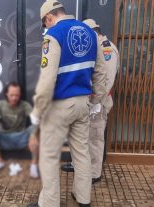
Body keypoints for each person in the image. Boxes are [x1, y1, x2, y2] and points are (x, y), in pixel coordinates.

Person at [26, 1, 107, 207]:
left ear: (49, 18)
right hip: (83, 103)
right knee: (81, 152)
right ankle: (83, 199)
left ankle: (50, 205)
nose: (45, 27)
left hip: (60, 105)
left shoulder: (53, 35)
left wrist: (37, 110)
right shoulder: (91, 34)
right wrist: (96, 100)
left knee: (49, 154)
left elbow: (47, 79)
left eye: (45, 23)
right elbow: (100, 72)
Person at [61, 19, 119, 184]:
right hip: (84, 100)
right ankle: (77, 164)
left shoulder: (106, 49)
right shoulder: (93, 47)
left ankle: (94, 172)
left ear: (94, 32)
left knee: (94, 137)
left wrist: (95, 101)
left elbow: (106, 80)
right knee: (80, 135)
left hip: (98, 102)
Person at [0, 82, 40, 178]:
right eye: (11, 95)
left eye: (17, 95)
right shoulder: (0, 104)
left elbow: (35, 119)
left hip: (21, 137)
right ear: (6, 94)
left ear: (20, 95)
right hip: (4, 138)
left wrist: (33, 134)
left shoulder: (24, 105)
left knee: (35, 130)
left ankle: (34, 164)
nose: (14, 98)